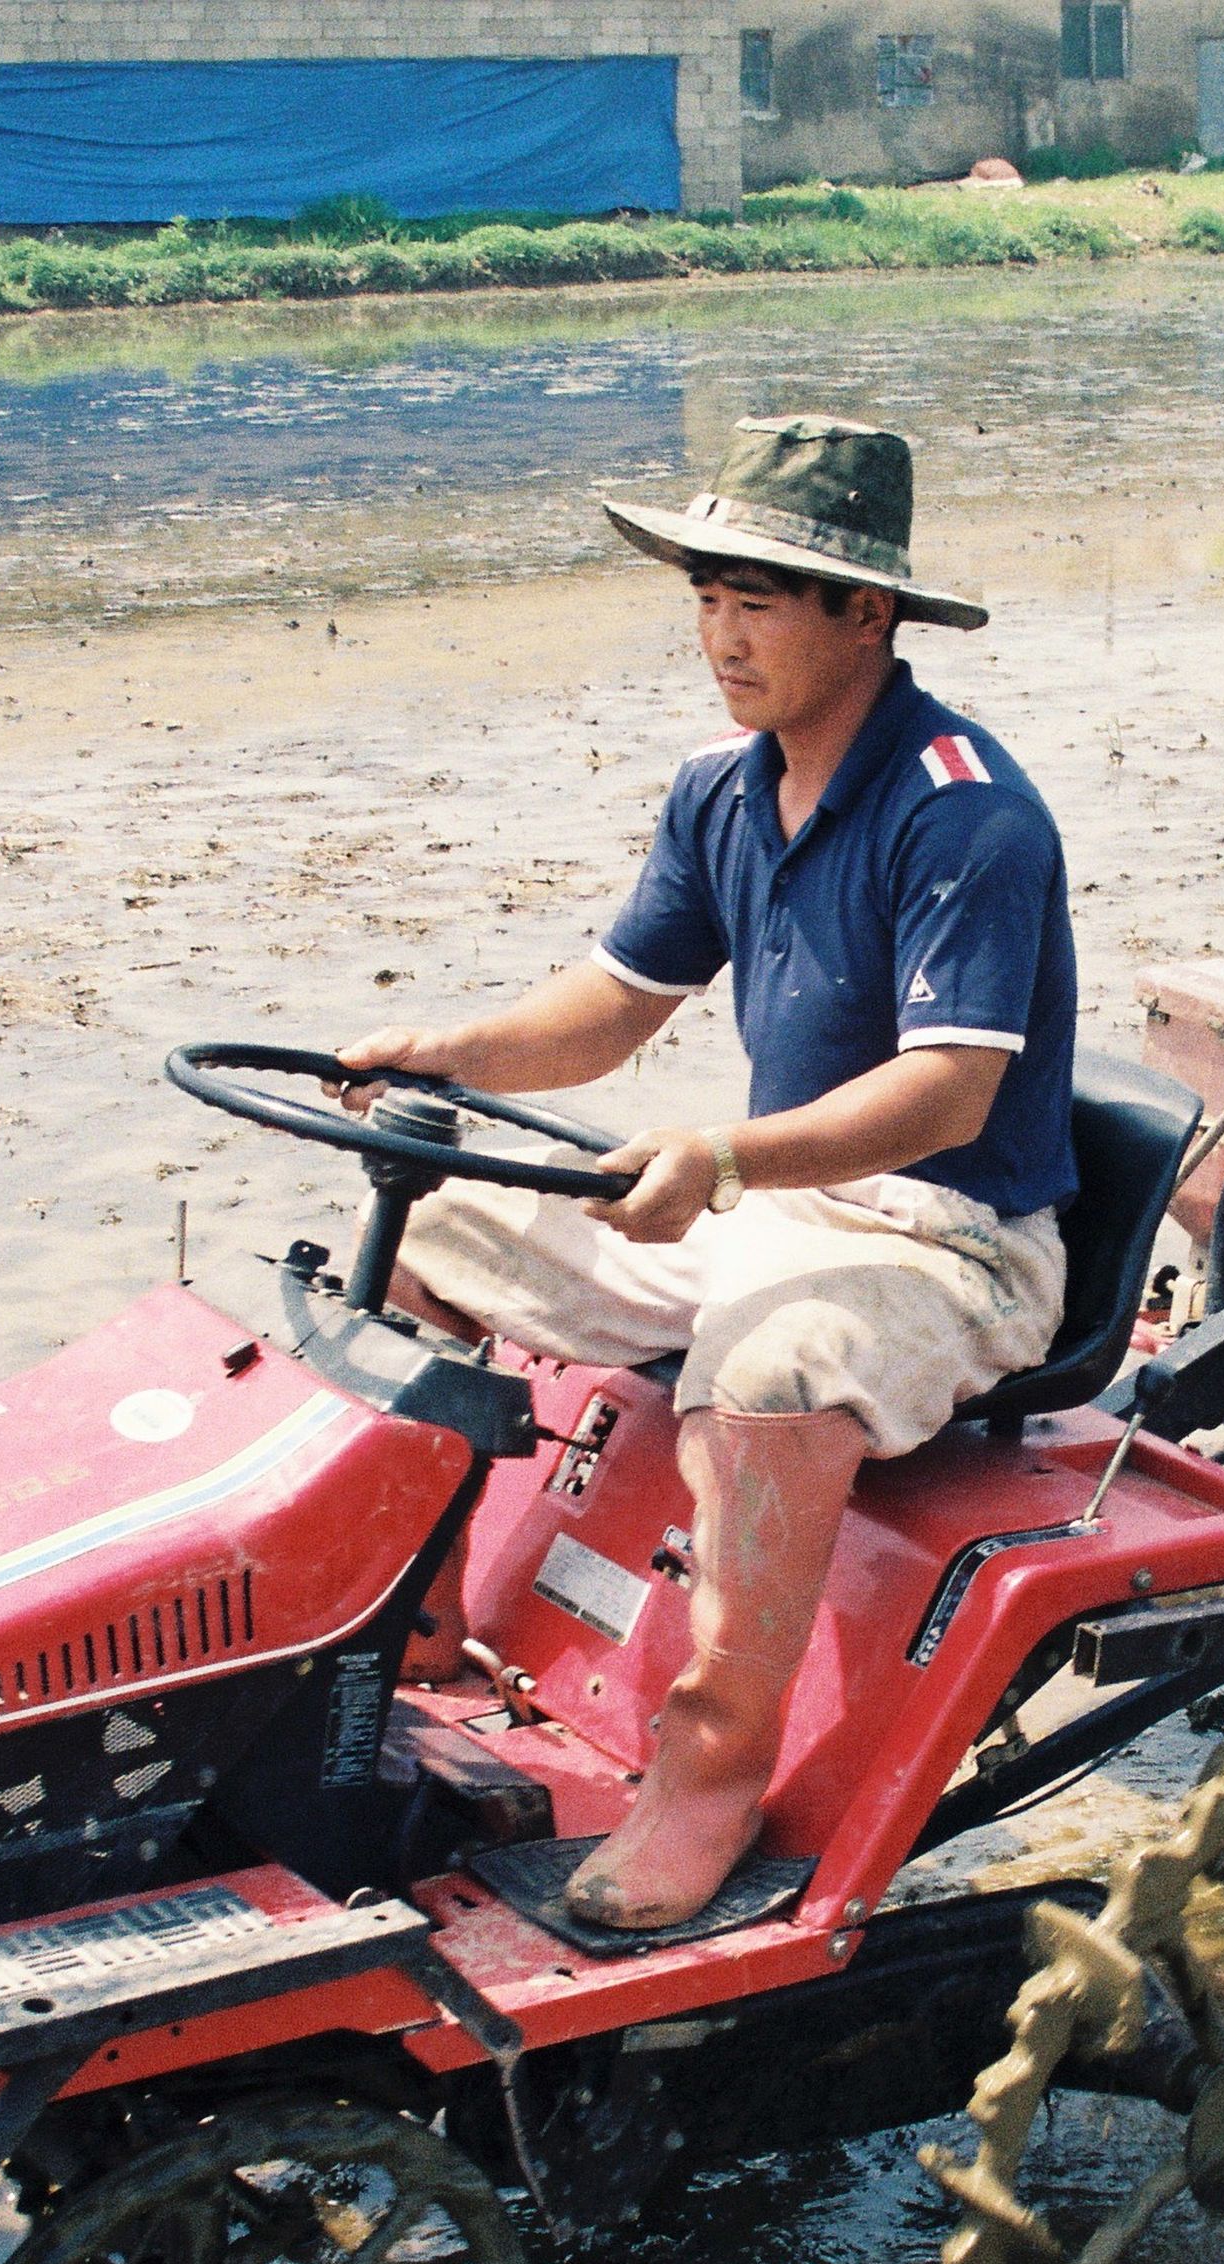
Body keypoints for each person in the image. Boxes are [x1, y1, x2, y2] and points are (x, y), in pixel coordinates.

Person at [337, 416, 1081, 1933]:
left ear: (865, 613)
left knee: (773, 1372)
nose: (718, 633)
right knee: (445, 1228)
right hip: (784, 1201)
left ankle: (710, 1783)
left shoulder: (967, 810)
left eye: (756, 598)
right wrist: (444, 1053)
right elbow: (614, 1006)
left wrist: (726, 1157)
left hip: (951, 1237)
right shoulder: (722, 790)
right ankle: (399, 1633)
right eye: (703, 594)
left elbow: (950, 1094)